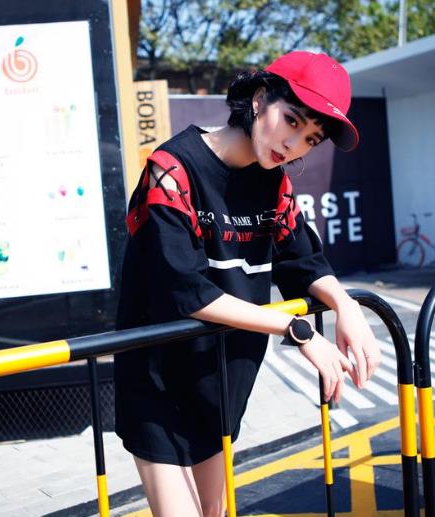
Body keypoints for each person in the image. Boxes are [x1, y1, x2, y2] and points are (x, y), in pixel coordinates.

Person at [114, 50, 381, 517]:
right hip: (157, 382)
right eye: (291, 120)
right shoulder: (171, 169)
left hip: (220, 382)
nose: (293, 144)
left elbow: (303, 260)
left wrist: (346, 305)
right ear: (259, 99)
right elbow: (186, 290)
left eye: (310, 138)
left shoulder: (273, 184)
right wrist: (299, 331)